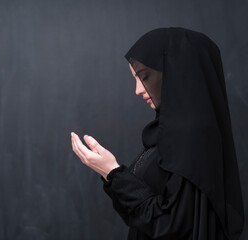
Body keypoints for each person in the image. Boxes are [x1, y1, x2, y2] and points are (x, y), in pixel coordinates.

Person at [70, 27, 244, 239]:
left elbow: (171, 227)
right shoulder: (167, 134)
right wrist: (111, 174)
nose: (138, 90)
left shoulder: (191, 137)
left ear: (177, 72)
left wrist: (113, 173)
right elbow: (146, 216)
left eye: (144, 77)